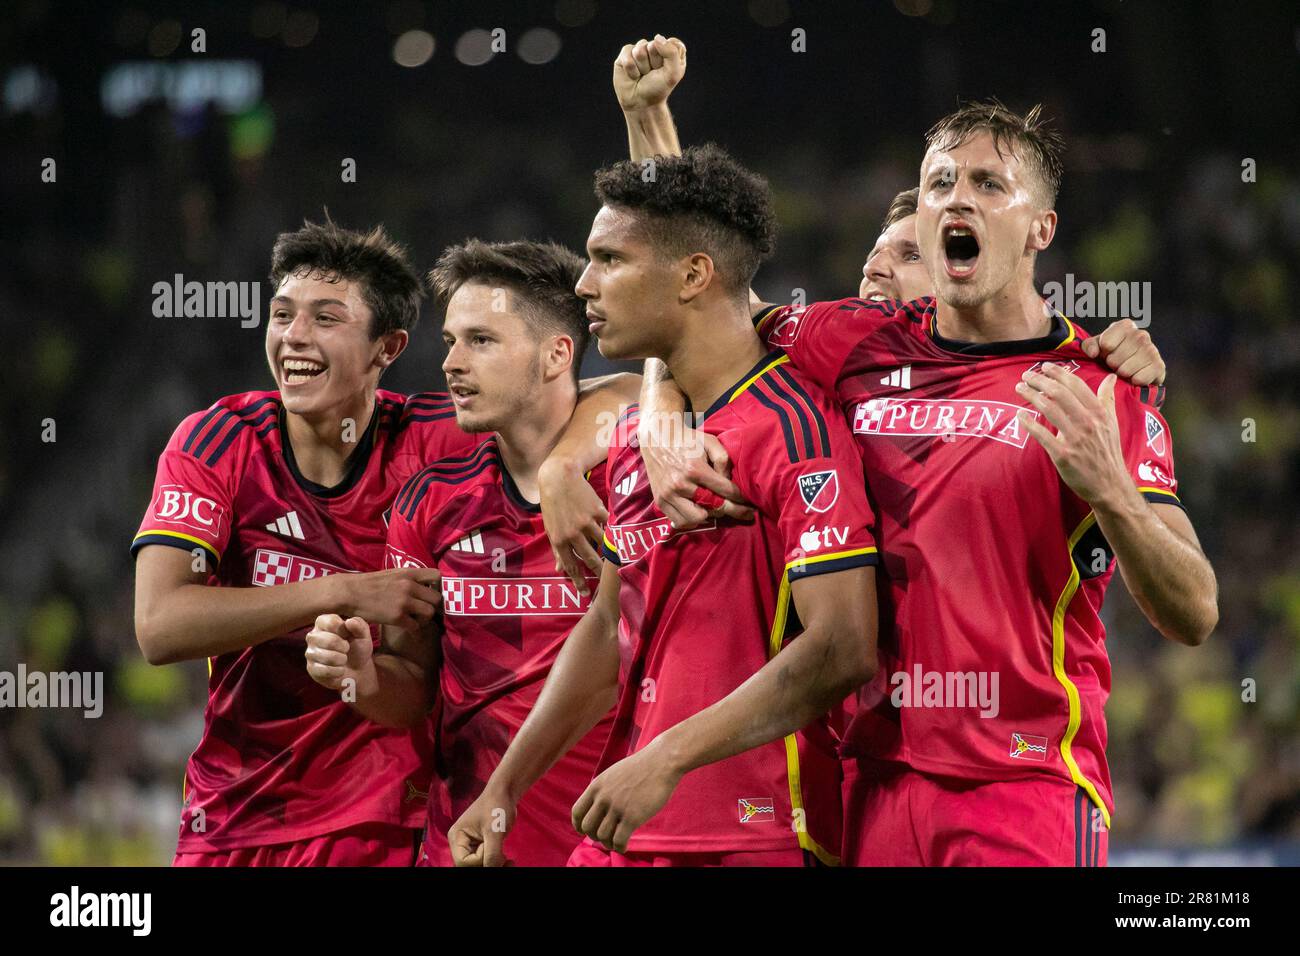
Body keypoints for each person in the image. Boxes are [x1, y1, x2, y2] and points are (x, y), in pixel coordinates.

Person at [133, 220, 637, 865]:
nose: (294, 337)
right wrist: (343, 591)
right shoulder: (219, 441)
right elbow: (159, 627)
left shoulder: (443, 437)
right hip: (238, 808)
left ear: (387, 348)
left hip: (390, 819)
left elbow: (628, 391)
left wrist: (564, 466)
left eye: (326, 319)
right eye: (282, 314)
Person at [450, 144, 880, 867]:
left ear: (693, 275)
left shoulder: (795, 428)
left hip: (754, 832)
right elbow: (610, 624)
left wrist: (670, 758)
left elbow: (844, 647)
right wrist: (505, 787)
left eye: (609, 260)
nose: (584, 284)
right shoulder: (643, 441)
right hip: (626, 825)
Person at [303, 240, 618, 866]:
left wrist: (561, 470)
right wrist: (361, 678)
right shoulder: (429, 502)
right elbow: (413, 687)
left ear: (558, 354)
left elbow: (656, 386)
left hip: (612, 843)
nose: (450, 363)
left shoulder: (634, 484)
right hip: (468, 847)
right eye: (450, 340)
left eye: (480, 340)